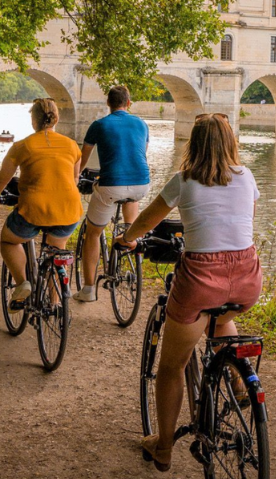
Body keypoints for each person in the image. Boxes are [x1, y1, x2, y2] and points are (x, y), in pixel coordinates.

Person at [116, 113, 262, 472]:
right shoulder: (248, 177)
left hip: (201, 278)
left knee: (171, 367)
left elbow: (148, 219)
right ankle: (239, 383)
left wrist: (127, 237)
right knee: (222, 316)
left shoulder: (183, 181)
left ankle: (163, 446)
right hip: (247, 276)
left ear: (193, 144)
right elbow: (237, 219)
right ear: (231, 143)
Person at [0, 99, 83, 310]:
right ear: (56, 119)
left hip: (33, 210)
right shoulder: (72, 145)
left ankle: (22, 284)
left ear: (33, 120)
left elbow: (2, 180)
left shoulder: (22, 146)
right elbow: (74, 180)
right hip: (68, 209)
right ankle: (54, 306)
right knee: (56, 251)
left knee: (7, 240)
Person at [75, 86, 150, 302]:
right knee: (132, 195)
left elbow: (83, 159)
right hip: (141, 183)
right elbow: (139, 155)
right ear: (128, 103)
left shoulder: (99, 125)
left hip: (111, 185)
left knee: (93, 233)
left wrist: (75, 178)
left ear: (108, 103)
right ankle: (129, 233)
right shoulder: (141, 124)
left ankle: (88, 290)